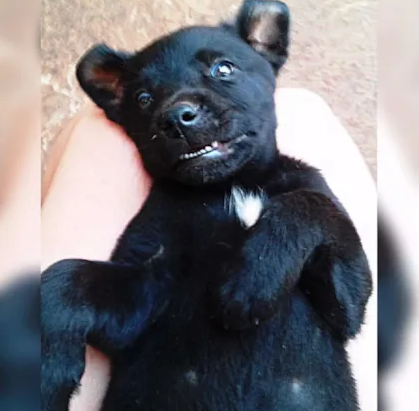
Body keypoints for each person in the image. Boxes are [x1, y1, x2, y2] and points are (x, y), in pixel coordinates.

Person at [39, 88, 377, 410]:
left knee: (302, 105)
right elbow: (132, 308)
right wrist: (68, 290)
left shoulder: (299, 186)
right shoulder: (170, 206)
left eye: (222, 70)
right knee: (95, 128)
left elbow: (349, 309)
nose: (179, 109)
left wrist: (307, 216)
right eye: (146, 96)